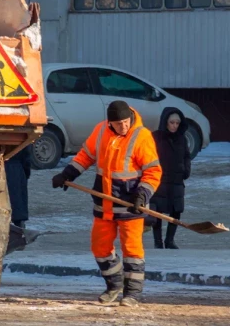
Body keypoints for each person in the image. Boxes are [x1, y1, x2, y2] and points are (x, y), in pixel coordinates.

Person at [51, 100, 162, 307]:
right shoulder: (101, 130)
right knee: (100, 247)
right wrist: (67, 174)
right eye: (118, 124)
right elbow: (86, 156)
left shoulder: (141, 136)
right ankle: (114, 285)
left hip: (131, 204)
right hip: (104, 203)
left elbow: (153, 171)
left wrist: (142, 195)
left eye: (126, 122)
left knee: (132, 251)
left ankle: (132, 294)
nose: (123, 127)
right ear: (110, 122)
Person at [150, 107, 191, 249]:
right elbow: (148, 156)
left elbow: (187, 156)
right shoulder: (155, 137)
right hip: (159, 179)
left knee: (176, 210)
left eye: (177, 123)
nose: (174, 125)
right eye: (171, 122)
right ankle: (158, 242)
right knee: (157, 211)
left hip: (177, 180)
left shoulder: (182, 139)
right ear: (165, 122)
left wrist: (186, 170)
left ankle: (170, 240)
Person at [5, 145, 31, 228]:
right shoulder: (21, 134)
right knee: (17, 206)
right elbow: (26, 155)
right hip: (15, 168)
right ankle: (20, 228)